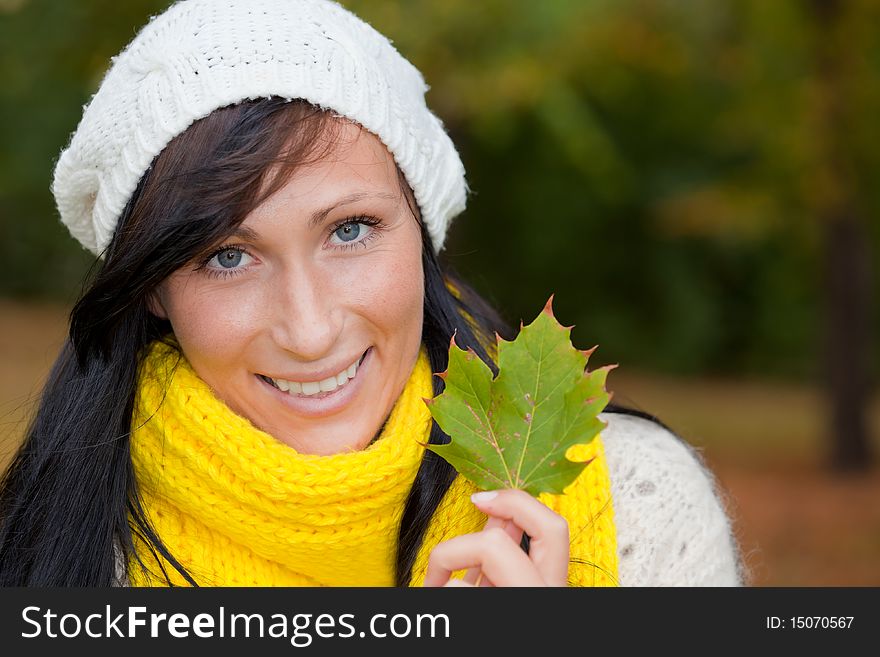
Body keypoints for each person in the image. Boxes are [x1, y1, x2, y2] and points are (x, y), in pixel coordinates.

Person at [0, 0, 743, 587]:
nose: (311, 329)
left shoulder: (640, 507)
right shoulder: (50, 555)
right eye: (227, 255)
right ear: (154, 287)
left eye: (350, 229)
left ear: (420, 230)